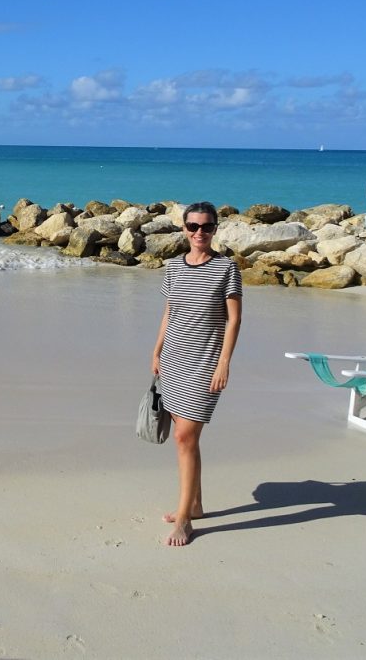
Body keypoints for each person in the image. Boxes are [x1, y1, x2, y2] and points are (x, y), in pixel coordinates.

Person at [150, 201, 243, 546]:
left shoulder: (227, 269)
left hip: (205, 363)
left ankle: (185, 519)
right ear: (184, 228)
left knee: (184, 438)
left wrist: (224, 362)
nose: (199, 232)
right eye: (193, 226)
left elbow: (234, 319)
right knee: (186, 439)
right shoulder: (173, 267)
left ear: (215, 229)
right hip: (174, 359)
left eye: (206, 227)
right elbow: (169, 311)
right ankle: (196, 504)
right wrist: (157, 350)